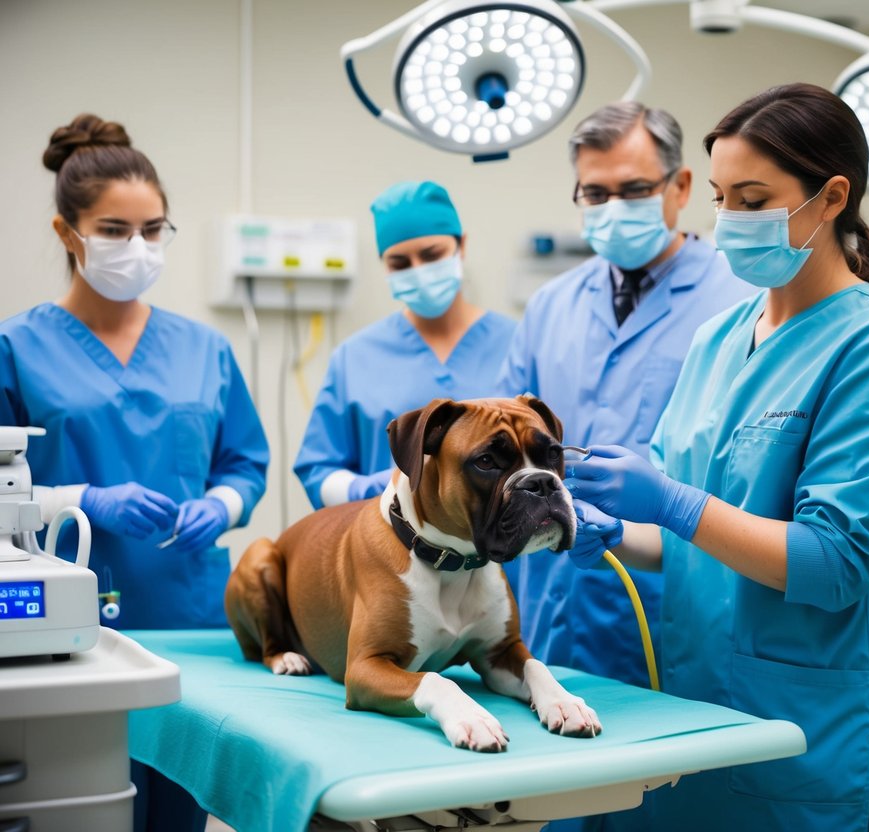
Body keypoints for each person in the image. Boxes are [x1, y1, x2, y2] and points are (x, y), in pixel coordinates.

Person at [564, 83, 869, 831]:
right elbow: (689, 539)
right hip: (694, 714)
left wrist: (672, 503)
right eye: (719, 199)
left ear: (831, 196)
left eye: (752, 199)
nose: (728, 223)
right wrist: (623, 532)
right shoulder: (718, 339)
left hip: (807, 737)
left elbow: (831, 565)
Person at [0, 113, 270, 832]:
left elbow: (245, 461)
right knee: (77, 805)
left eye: (154, 230)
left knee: (179, 811)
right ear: (68, 234)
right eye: (115, 230)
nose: (138, 247)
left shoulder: (203, 348)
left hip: (190, 622)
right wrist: (79, 498)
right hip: (62, 630)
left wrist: (223, 502)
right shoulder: (17, 347)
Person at [497, 102, 754, 688]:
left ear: (681, 186)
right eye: (595, 193)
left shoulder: (744, 298)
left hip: (682, 608)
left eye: (634, 189)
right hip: (554, 613)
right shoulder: (550, 306)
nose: (614, 209)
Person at [294, 180, 515, 509]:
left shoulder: (518, 343)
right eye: (399, 264)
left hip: (505, 548)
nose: (419, 271)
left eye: (432, 255)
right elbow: (318, 469)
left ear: (462, 246)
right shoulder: (356, 356)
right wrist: (359, 489)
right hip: (389, 546)